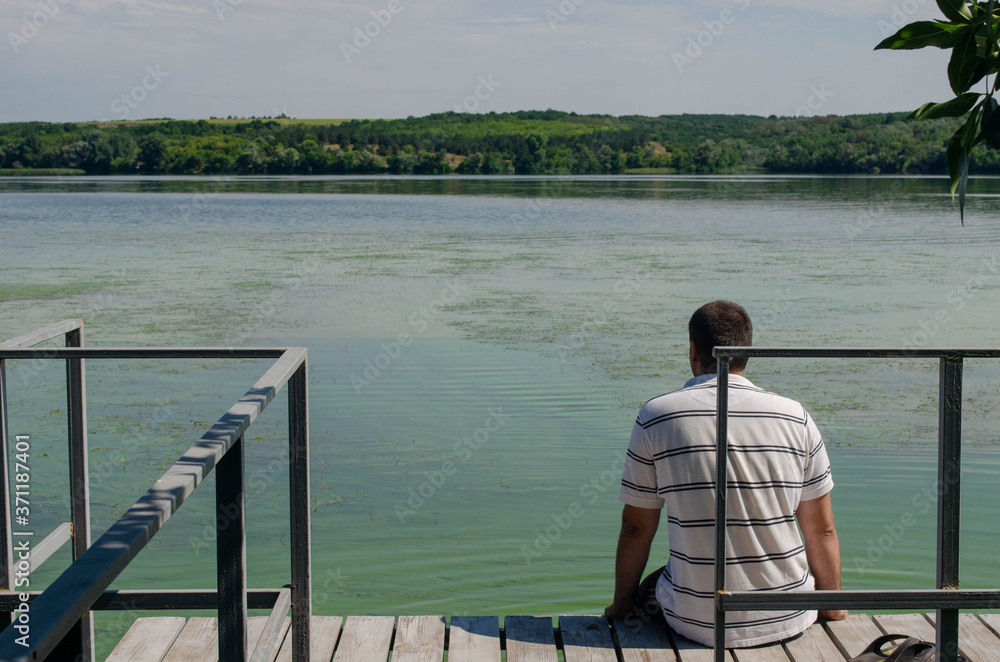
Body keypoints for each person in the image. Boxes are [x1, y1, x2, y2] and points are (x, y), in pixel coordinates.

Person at [605, 300, 847, 648]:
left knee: (651, 587)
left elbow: (637, 526)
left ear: (692, 350)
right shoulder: (796, 417)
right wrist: (832, 606)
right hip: (789, 614)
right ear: (746, 352)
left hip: (695, 623)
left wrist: (621, 605)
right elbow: (821, 529)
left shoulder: (656, 417)